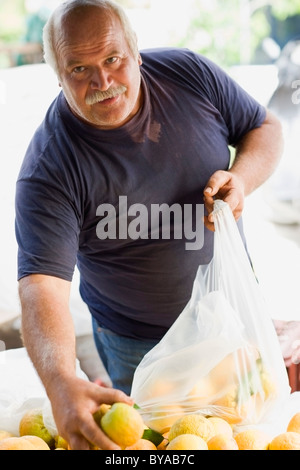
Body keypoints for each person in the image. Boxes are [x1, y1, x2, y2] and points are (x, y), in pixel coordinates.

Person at [15, 0, 283, 450]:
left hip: (231, 321)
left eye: (113, 59)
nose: (101, 82)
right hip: (137, 344)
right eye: (78, 69)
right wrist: (61, 380)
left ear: (135, 51)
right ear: (57, 75)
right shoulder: (50, 168)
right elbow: (42, 286)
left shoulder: (189, 76)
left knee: (247, 435)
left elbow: (264, 126)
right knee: (154, 448)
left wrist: (243, 178)